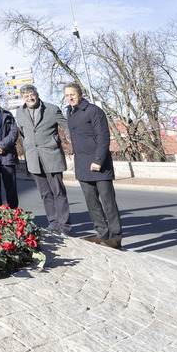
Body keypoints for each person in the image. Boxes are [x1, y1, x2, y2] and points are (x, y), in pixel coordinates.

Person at [64, 82, 122, 248]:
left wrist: (98, 160)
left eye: (73, 94)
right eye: (67, 95)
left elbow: (103, 137)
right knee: (92, 202)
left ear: (80, 94)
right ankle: (102, 235)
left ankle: (116, 238)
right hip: (82, 165)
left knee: (108, 202)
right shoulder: (69, 111)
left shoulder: (94, 111)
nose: (70, 98)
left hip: (99, 165)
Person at [15, 84, 70, 232]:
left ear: (37, 94)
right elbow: (23, 134)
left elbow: (67, 127)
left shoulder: (52, 109)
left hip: (52, 156)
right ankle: (53, 222)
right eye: (26, 96)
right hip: (33, 159)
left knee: (58, 191)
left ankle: (65, 225)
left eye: (32, 94)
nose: (30, 98)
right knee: (45, 193)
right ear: (23, 98)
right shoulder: (20, 113)